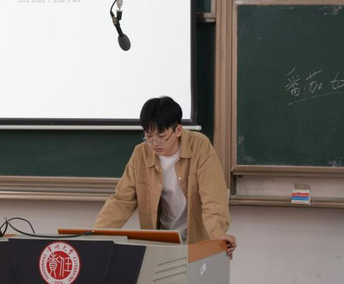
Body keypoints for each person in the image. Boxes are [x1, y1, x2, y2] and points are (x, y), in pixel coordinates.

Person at [94, 96, 237, 258]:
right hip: (160, 242)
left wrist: (218, 234)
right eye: (148, 136)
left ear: (178, 130)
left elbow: (213, 198)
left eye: (161, 136)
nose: (154, 143)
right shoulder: (141, 154)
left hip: (198, 241)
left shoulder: (199, 147)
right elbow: (121, 201)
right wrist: (97, 235)